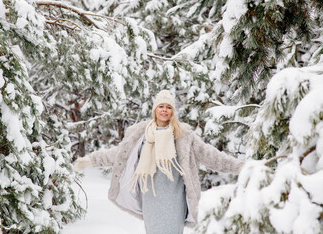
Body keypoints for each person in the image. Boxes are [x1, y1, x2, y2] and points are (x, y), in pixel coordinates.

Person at [73, 90, 244, 234]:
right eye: (161, 106)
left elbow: (211, 155)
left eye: (168, 107)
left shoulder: (183, 136)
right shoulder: (141, 135)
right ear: (155, 109)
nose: (164, 110)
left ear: (173, 111)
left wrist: (238, 166)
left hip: (174, 200)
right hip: (151, 199)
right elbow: (118, 155)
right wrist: (90, 160)